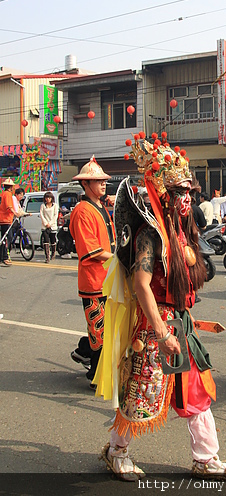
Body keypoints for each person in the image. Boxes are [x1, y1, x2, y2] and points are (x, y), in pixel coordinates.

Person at [95, 134, 226, 480]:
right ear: (163, 193)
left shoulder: (179, 229)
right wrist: (162, 334)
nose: (187, 198)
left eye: (189, 191)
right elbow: (141, 285)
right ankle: (117, 450)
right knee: (143, 392)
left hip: (182, 322)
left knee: (196, 389)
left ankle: (206, 457)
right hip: (155, 326)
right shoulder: (151, 234)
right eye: (180, 192)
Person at [69, 156, 116, 389]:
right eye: (97, 181)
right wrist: (118, 259)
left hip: (107, 279)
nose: (103, 184)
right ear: (85, 184)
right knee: (99, 332)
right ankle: (96, 377)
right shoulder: (82, 211)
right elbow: (90, 251)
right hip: (93, 281)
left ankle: (82, 350)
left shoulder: (100, 206)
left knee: (107, 329)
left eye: (103, 180)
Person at [40, 192, 59, 263]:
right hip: (45, 226)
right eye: (46, 197)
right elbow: (42, 215)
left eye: (49, 198)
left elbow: (55, 216)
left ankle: (53, 253)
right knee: (46, 241)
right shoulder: (43, 206)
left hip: (52, 226)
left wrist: (50, 224)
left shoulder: (55, 206)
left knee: (53, 240)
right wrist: (46, 223)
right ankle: (47, 256)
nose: (48, 199)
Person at [0, 178, 15, 266]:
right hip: (6, 219)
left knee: (3, 238)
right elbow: (9, 206)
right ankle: (5, 257)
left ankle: (2, 256)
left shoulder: (3, 194)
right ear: (10, 187)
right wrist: (15, 213)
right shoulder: (8, 194)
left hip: (2, 218)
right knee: (7, 239)